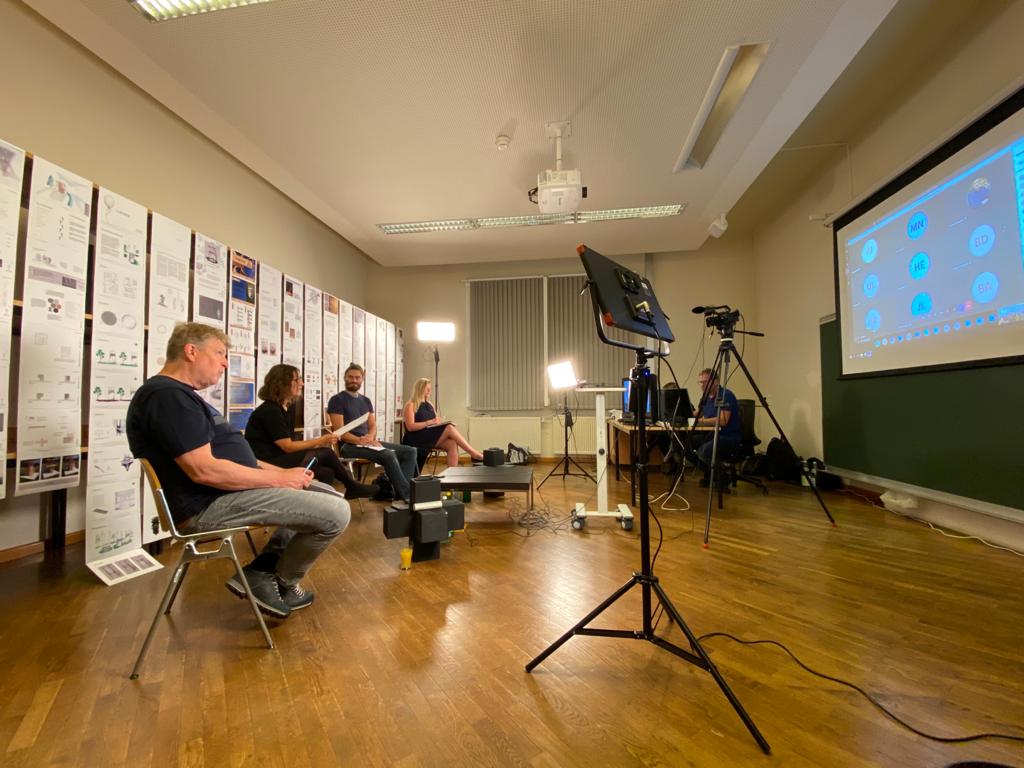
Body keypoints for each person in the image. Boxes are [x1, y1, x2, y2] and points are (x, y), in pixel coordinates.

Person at [127, 322, 350, 619]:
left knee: (326, 493)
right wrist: (280, 478)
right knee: (337, 512)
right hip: (207, 504)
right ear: (191, 351)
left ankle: (262, 570)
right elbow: (204, 471)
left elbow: (238, 459)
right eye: (219, 353)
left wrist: (286, 476)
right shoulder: (167, 396)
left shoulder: (181, 396)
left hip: (225, 494)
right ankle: (281, 581)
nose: (224, 362)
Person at [243, 363, 377, 499]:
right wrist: (321, 440)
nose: (302, 383)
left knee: (327, 472)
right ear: (282, 383)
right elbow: (288, 446)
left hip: (280, 457)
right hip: (266, 463)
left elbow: (288, 445)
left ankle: (321, 503)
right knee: (326, 452)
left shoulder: (286, 408)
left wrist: (316, 444)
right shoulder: (270, 410)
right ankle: (352, 486)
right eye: (297, 379)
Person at [327, 363, 418, 501]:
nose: (354, 380)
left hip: (367, 442)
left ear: (362, 379)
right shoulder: (337, 400)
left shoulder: (366, 401)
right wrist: (360, 441)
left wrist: (370, 437)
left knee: (410, 451)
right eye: (350, 377)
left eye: (357, 377)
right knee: (388, 455)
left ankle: (400, 493)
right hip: (348, 446)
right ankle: (407, 496)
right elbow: (340, 432)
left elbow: (372, 425)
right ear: (345, 378)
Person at [400, 378, 483, 468]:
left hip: (428, 436)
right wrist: (429, 422)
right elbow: (410, 427)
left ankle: (452, 473)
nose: (429, 391)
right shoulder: (411, 405)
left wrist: (438, 422)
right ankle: (474, 453)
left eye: (430, 389)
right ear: (420, 389)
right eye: (427, 389)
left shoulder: (430, 404)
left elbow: (434, 422)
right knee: (449, 427)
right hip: (416, 439)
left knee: (452, 443)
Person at [689, 368, 742, 485]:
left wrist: (701, 421)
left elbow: (723, 420)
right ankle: (711, 474)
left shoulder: (725, 395)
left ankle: (723, 477)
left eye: (705, 382)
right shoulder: (706, 397)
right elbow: (698, 413)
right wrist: (683, 414)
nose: (702, 385)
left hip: (728, 437)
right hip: (711, 435)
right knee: (685, 445)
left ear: (716, 381)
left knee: (703, 452)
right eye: (700, 382)